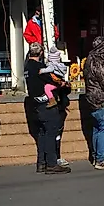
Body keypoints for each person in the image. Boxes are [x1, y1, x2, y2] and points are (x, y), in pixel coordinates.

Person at [25, 42, 69, 175]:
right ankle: (51, 163)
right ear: (41, 53)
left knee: (42, 134)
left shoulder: (27, 67)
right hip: (47, 104)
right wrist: (64, 84)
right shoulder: (40, 67)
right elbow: (54, 80)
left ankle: (41, 163)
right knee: (51, 133)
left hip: (34, 104)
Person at [83, 36, 104, 170]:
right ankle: (102, 158)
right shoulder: (98, 61)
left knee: (97, 127)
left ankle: (97, 155)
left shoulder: (89, 59)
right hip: (100, 99)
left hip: (91, 99)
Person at [42, 45, 70, 167]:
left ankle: (54, 157)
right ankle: (54, 157)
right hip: (56, 107)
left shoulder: (51, 70)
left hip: (59, 105)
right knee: (55, 133)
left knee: (55, 133)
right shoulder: (51, 73)